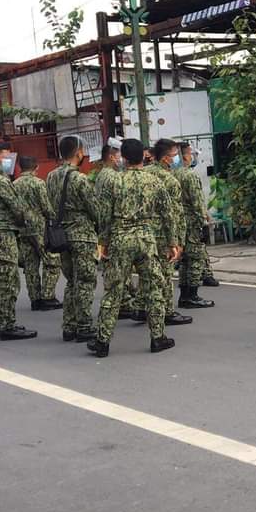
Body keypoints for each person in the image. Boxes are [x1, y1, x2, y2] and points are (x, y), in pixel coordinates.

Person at [89, 138, 180, 357]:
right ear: (143, 156)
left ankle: (102, 342)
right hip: (146, 238)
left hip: (121, 238)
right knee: (153, 288)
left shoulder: (114, 181)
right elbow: (169, 214)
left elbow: (105, 215)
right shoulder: (155, 181)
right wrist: (173, 242)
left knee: (114, 290)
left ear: (124, 158)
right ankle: (158, 337)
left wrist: (103, 242)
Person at [0, 141, 37, 340]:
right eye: (6, 157)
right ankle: (6, 325)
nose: (9, 161)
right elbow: (17, 207)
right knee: (9, 281)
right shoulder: (0, 181)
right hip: (3, 233)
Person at [47, 136, 101, 342]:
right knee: (85, 281)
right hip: (82, 236)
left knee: (71, 281)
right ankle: (84, 326)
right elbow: (94, 208)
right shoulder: (80, 179)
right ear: (78, 152)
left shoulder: (51, 176)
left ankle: (69, 326)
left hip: (61, 236)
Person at [145, 138, 192, 325]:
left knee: (148, 275)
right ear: (165, 158)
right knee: (165, 275)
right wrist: (178, 242)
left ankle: (147, 308)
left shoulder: (144, 174)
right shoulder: (169, 181)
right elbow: (176, 214)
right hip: (163, 236)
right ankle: (166, 312)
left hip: (143, 235)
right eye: (174, 155)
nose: (177, 158)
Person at [94, 138, 141, 319]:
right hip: (119, 230)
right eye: (120, 155)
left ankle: (122, 303)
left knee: (114, 271)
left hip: (109, 230)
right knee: (120, 272)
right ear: (113, 157)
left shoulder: (101, 175)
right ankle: (122, 305)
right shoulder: (114, 177)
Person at [12, 156, 63, 312]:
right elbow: (46, 207)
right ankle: (48, 296)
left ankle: (35, 299)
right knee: (52, 261)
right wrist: (54, 219)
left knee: (30, 265)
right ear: (36, 167)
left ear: (20, 168)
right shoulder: (38, 183)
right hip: (39, 228)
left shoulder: (13, 185)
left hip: (23, 229)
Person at [173, 141, 215, 310]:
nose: (193, 156)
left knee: (184, 260)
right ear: (184, 156)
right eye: (190, 153)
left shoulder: (173, 174)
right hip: (191, 222)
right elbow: (197, 202)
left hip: (179, 222)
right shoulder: (190, 175)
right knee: (196, 259)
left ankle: (184, 295)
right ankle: (192, 295)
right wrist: (204, 221)